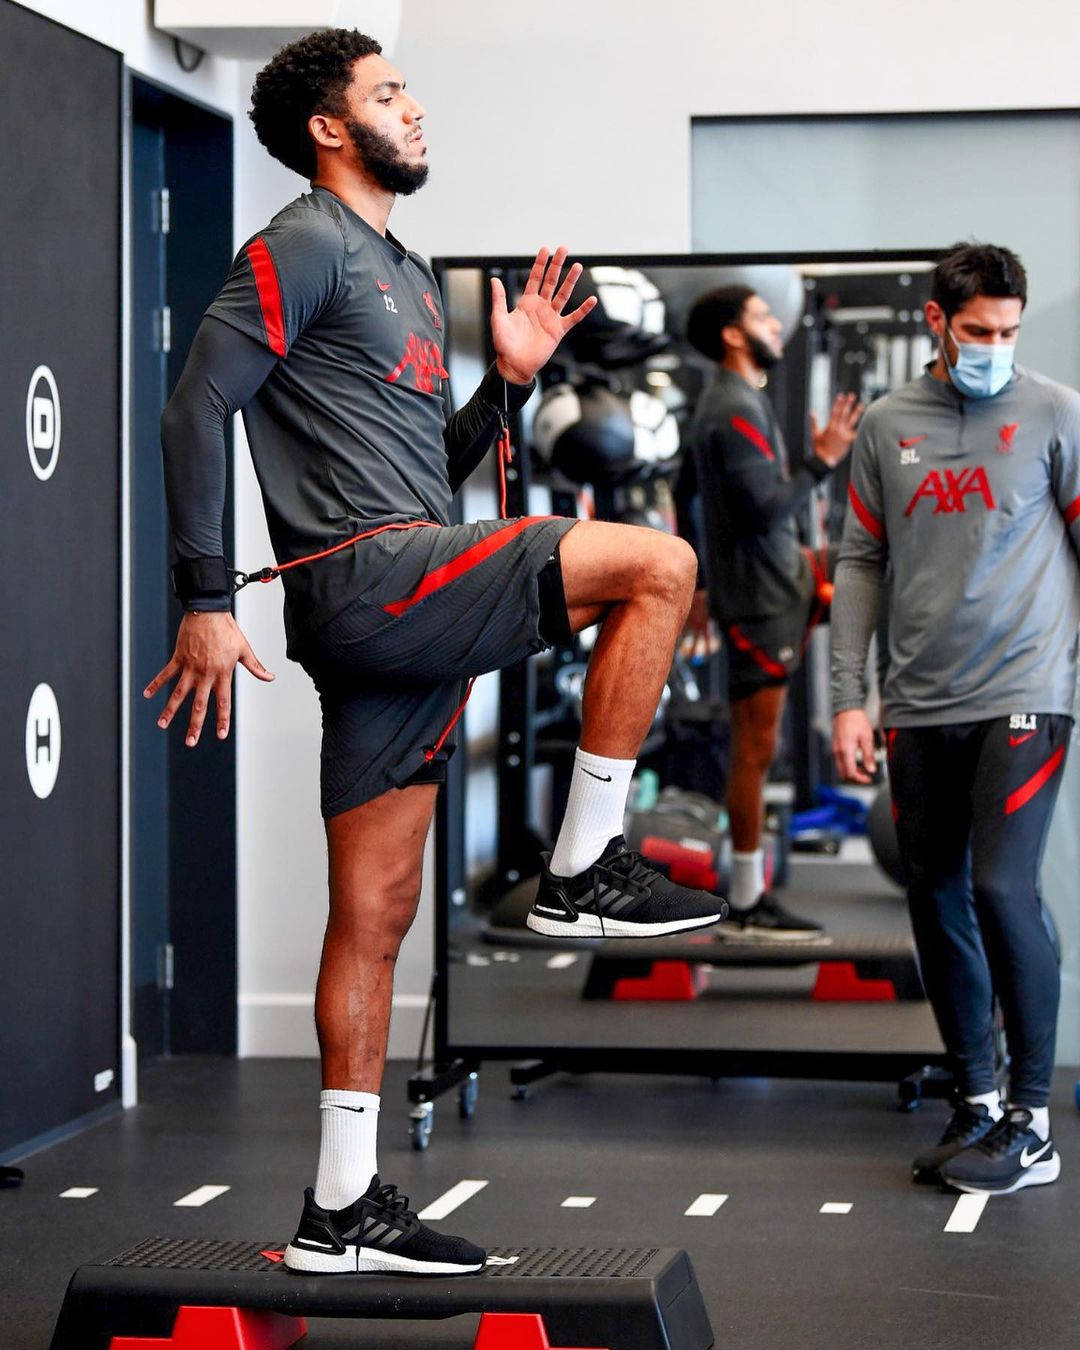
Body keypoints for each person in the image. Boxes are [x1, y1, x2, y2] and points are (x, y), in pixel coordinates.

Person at [145, 29, 726, 1278]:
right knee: (660, 567)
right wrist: (202, 597)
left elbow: (423, 468)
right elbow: (195, 402)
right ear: (330, 129)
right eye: (389, 93)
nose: (416, 108)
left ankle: (340, 1211)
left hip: (395, 582)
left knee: (377, 912)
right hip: (371, 577)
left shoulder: (399, 269)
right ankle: (585, 865)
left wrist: (508, 384)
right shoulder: (302, 243)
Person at [832, 241, 1079, 1196]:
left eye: (1010, 332)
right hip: (920, 700)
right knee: (932, 892)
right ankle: (976, 1101)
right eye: (979, 331)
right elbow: (861, 563)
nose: (996, 347)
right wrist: (850, 698)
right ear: (938, 321)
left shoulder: (1053, 412)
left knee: (1003, 889)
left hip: (1025, 690)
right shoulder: (889, 423)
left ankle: (1032, 1122)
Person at [679, 285, 862, 938]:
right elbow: (764, 509)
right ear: (733, 334)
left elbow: (684, 490)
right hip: (762, 603)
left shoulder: (736, 402)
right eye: (762, 317)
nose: (776, 325)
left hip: (778, 582)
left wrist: (698, 579)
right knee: (756, 750)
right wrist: (824, 461)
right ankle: (748, 904)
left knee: (889, 557)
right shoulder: (731, 409)